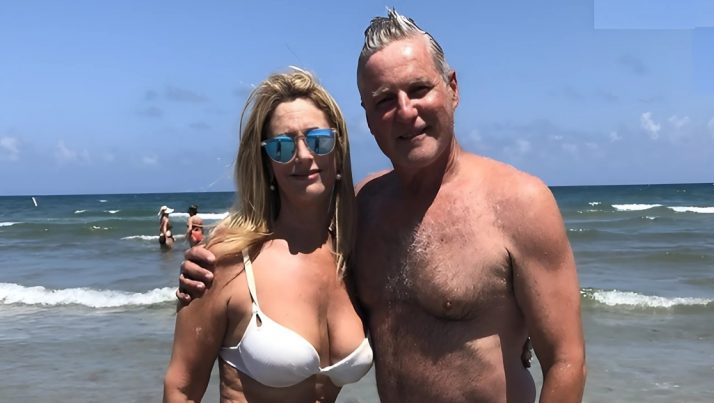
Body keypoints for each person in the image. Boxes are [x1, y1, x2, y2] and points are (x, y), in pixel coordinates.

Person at [178, 10, 586, 402]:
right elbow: (285, 245)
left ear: (453, 88)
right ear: (368, 118)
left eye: (419, 89)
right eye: (385, 100)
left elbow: (566, 362)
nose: (406, 112)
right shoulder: (362, 210)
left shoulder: (519, 204)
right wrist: (205, 265)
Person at [163, 68, 372, 402]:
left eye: (319, 140)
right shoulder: (227, 261)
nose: (303, 155)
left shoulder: (354, 255)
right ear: (267, 164)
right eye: (282, 147)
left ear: (338, 149)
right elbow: (182, 389)